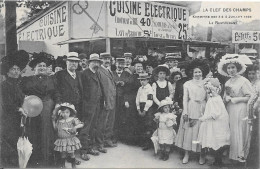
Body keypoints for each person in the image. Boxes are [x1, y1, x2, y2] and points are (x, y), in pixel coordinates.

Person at [20, 52, 58, 166]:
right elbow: (21, 93)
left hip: (47, 109)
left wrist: (57, 105)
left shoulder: (52, 79)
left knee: (47, 134)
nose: (42, 68)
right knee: (33, 133)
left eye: (43, 66)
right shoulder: (27, 80)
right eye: (39, 66)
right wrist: (25, 100)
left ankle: (47, 161)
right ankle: (34, 161)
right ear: (34, 68)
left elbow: (56, 94)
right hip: (32, 110)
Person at [217, 55, 254, 165]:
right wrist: (225, 98)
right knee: (232, 132)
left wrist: (236, 99)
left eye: (233, 67)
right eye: (228, 68)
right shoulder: (228, 82)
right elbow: (226, 96)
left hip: (240, 109)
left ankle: (240, 158)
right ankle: (232, 157)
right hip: (230, 109)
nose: (231, 70)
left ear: (237, 68)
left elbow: (251, 96)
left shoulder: (243, 81)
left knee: (239, 132)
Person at [175, 59, 209, 165]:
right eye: (195, 72)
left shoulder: (206, 83)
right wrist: (185, 112)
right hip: (191, 107)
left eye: (199, 72)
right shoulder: (187, 84)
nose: (197, 74)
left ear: (202, 72)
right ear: (192, 73)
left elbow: (209, 99)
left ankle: (201, 154)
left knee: (200, 131)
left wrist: (207, 111)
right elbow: (185, 99)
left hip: (202, 108)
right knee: (189, 131)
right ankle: (187, 154)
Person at [0, 50, 29, 167]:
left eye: (18, 69)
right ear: (7, 72)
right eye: (13, 69)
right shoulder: (4, 85)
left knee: (18, 138)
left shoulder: (18, 84)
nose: (16, 71)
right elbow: (6, 103)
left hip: (19, 117)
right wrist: (19, 109)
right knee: (9, 139)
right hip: (8, 117)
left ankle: (16, 162)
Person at [197, 78, 230, 166]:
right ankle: (216, 160)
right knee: (214, 141)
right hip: (213, 123)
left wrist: (204, 118)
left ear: (216, 89)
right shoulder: (212, 99)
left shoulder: (216, 99)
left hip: (218, 123)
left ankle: (218, 160)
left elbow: (216, 114)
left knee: (218, 141)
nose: (208, 91)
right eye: (207, 89)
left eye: (210, 89)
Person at [80, 53, 103, 160]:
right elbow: (82, 91)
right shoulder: (84, 74)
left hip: (96, 105)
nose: (96, 64)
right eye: (94, 62)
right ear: (89, 63)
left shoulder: (96, 73)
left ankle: (90, 147)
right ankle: (83, 151)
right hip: (88, 106)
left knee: (93, 127)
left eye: (98, 62)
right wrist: (86, 104)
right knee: (85, 128)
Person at [52, 103, 83, 168]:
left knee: (71, 152)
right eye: (63, 112)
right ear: (60, 112)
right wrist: (53, 121)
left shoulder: (72, 119)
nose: (65, 114)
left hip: (70, 140)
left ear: (70, 113)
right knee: (63, 153)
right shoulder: (59, 121)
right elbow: (56, 129)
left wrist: (74, 127)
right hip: (62, 140)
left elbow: (81, 124)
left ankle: (73, 165)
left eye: (67, 112)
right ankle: (63, 165)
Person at [97, 52, 117, 149]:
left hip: (112, 99)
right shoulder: (99, 71)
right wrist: (103, 99)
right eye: (105, 59)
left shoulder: (109, 71)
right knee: (102, 122)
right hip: (105, 100)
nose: (107, 61)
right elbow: (100, 87)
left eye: (108, 59)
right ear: (101, 60)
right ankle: (100, 143)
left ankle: (107, 140)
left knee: (110, 121)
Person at [121, 58, 143, 145]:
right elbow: (126, 90)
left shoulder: (146, 76)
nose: (139, 68)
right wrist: (126, 100)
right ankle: (132, 140)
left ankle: (141, 141)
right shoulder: (131, 77)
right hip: (132, 99)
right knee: (132, 119)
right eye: (137, 66)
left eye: (141, 66)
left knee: (141, 120)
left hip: (142, 100)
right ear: (134, 67)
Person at [55, 52, 83, 119]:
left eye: (76, 62)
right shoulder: (59, 75)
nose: (74, 63)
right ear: (66, 62)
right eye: (71, 61)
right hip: (66, 108)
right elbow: (56, 91)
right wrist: (59, 105)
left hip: (79, 107)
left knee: (78, 126)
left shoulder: (80, 74)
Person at [112, 58, 131, 142]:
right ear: (115, 64)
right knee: (114, 117)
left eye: (122, 64)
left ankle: (123, 137)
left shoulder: (127, 74)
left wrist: (124, 83)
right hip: (114, 98)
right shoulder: (111, 73)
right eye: (118, 64)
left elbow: (130, 87)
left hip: (123, 98)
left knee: (123, 116)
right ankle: (114, 136)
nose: (120, 66)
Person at [136, 73, 154, 150]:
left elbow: (150, 100)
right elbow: (137, 99)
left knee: (148, 125)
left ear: (147, 80)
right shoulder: (140, 88)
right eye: (141, 80)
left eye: (144, 80)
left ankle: (148, 143)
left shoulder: (150, 88)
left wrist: (145, 110)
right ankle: (142, 142)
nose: (142, 82)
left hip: (147, 108)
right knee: (141, 125)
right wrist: (138, 109)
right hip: (141, 106)